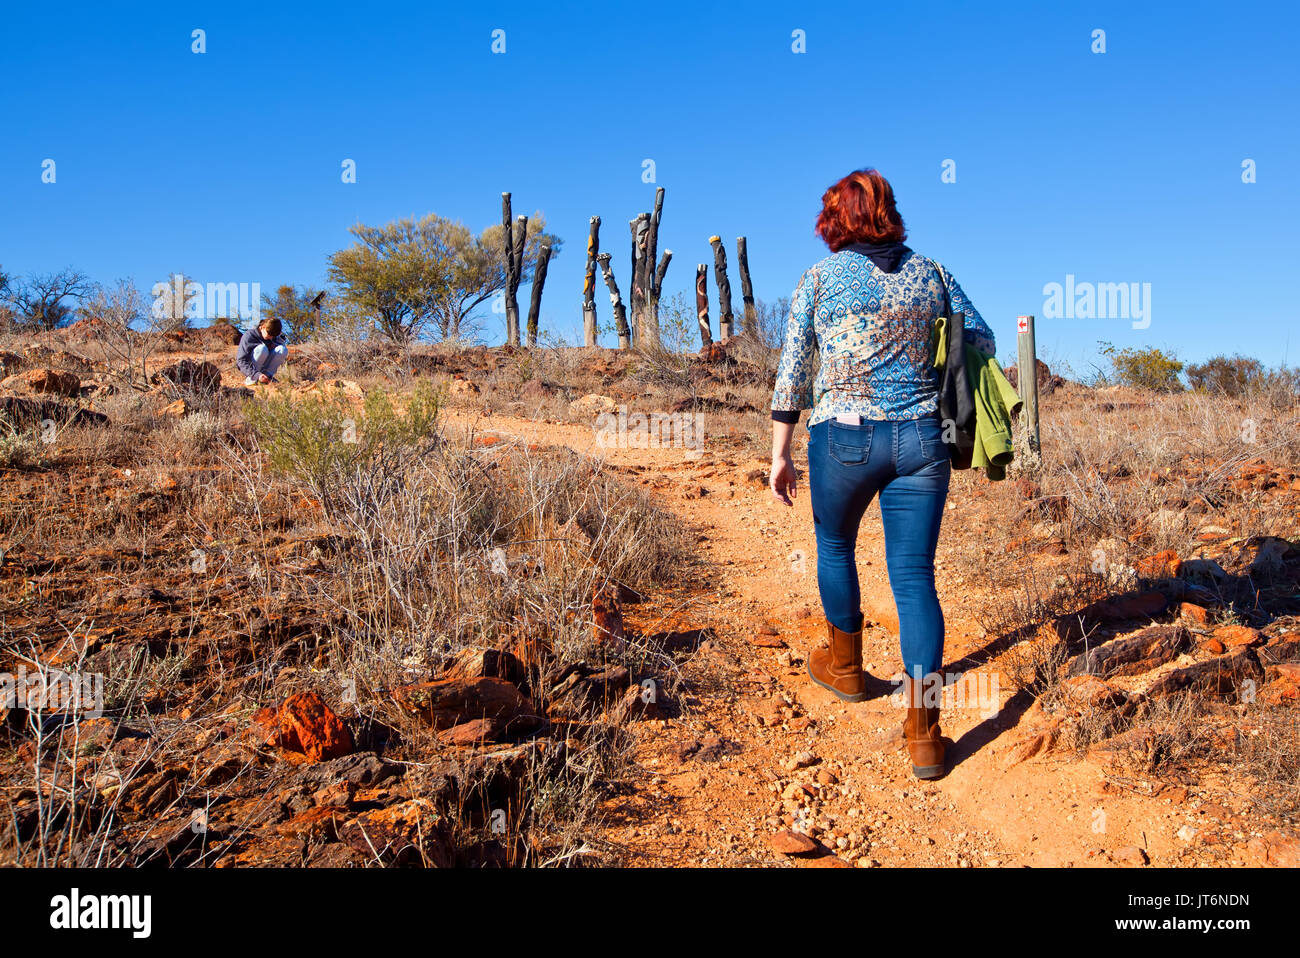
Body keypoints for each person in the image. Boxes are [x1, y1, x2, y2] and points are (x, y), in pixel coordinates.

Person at [769, 168, 996, 780]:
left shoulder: (818, 279)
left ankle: (846, 668)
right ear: (888, 211)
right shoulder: (932, 273)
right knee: (915, 578)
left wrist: (780, 453)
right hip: (924, 440)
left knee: (835, 544)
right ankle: (924, 735)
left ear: (835, 219)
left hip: (842, 437)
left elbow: (793, 370)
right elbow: (983, 338)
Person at [236, 317, 288, 386]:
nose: (271, 338)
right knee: (262, 349)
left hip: (264, 370)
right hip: (251, 372)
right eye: (269, 334)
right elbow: (240, 361)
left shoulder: (273, 337)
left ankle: (267, 377)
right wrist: (256, 374)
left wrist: (277, 343)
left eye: (273, 336)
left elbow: (280, 351)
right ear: (262, 327)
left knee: (282, 349)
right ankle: (252, 379)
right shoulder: (249, 336)